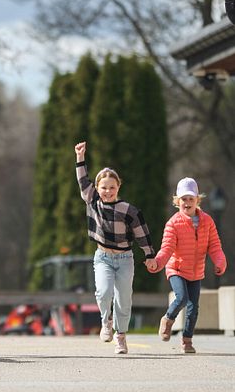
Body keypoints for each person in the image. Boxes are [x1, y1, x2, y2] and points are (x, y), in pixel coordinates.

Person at [74, 141, 157, 354]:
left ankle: (121, 336)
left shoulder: (128, 210)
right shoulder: (93, 201)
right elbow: (83, 181)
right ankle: (106, 322)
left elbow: (142, 233)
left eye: (112, 187)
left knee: (124, 299)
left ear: (118, 187)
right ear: (97, 188)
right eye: (103, 187)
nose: (108, 191)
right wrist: (80, 157)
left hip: (124, 259)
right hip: (103, 257)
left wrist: (149, 255)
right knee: (103, 293)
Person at [151, 177, 227, 353]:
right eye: (183, 199)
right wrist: (157, 263)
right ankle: (168, 319)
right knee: (182, 297)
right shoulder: (173, 223)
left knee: (194, 308)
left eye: (191, 199)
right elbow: (167, 248)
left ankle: (187, 341)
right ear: (177, 201)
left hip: (196, 271)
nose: (187, 202)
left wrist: (220, 261)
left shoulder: (207, 221)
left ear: (197, 200)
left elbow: (215, 245)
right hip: (176, 269)